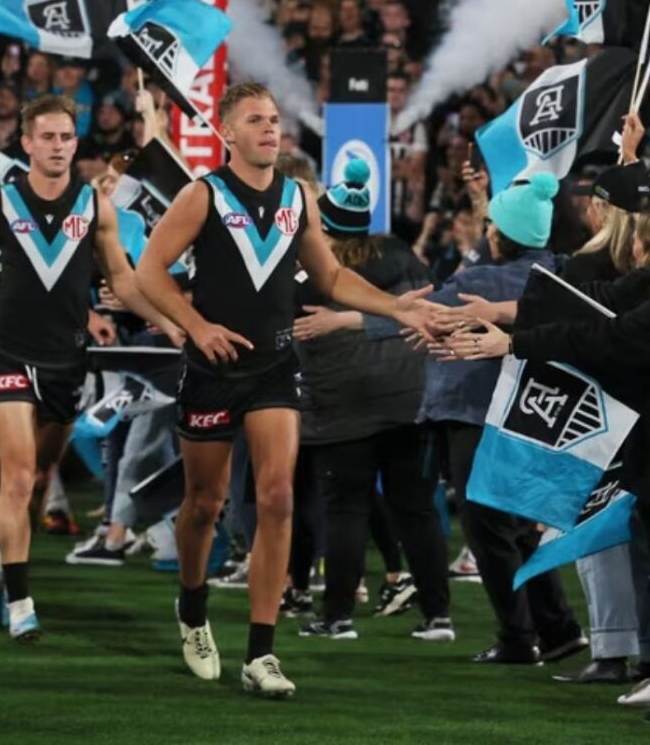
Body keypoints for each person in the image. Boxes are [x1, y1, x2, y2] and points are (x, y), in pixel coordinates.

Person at [134, 82, 442, 697]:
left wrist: (396, 309)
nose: (270, 129)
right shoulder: (203, 196)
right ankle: (192, 608)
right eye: (256, 120)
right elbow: (148, 271)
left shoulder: (299, 196)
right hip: (212, 367)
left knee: (276, 495)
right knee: (204, 503)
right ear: (227, 133)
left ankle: (261, 653)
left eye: (274, 120)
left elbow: (329, 276)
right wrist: (195, 325)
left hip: (275, 368)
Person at [0, 94, 181, 641]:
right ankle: (22, 601)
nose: (57, 146)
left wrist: (172, 319)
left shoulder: (97, 207)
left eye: (66, 137)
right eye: (46, 137)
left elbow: (121, 279)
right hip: (9, 354)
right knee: (18, 476)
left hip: (67, 358)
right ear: (26, 144)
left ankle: (5, 566)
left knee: (42, 477)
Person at [414, 172, 589, 667]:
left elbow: (421, 314)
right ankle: (557, 628)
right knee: (516, 527)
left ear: (497, 233)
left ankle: (519, 638)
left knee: (487, 530)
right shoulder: (559, 274)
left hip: (474, 416)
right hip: (536, 418)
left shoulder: (476, 282)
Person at [289, 158, 454, 642]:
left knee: (346, 510)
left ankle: (337, 617)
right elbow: (433, 309)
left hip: (341, 407)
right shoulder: (402, 256)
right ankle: (438, 616)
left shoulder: (309, 268)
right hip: (407, 403)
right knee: (416, 508)